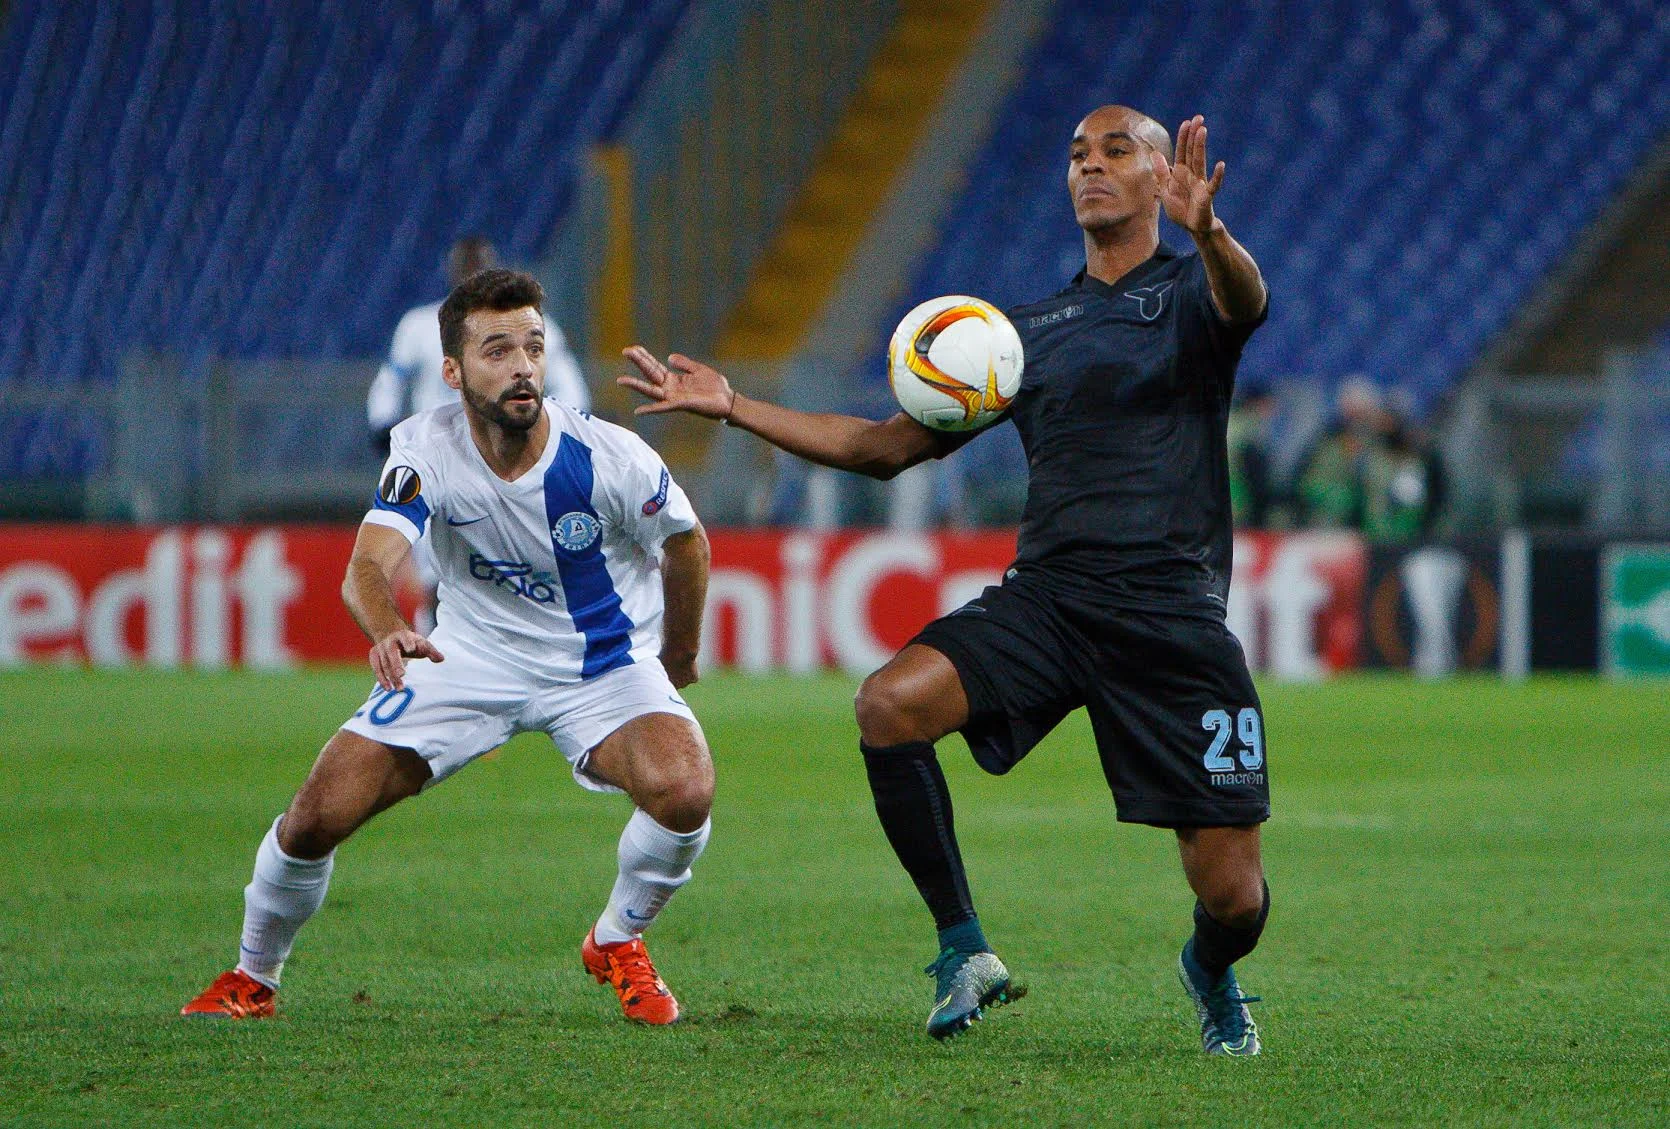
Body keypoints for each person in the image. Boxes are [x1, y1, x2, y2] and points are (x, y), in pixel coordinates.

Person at [620, 108, 1273, 1055]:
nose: (1089, 166)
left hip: (1173, 617)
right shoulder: (1021, 336)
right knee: (888, 705)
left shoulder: (1191, 292)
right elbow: (882, 448)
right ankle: (964, 948)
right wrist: (733, 405)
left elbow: (1246, 303)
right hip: (1053, 600)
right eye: (1076, 154)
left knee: (1234, 897)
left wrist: (1209, 233)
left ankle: (1210, 968)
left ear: (1162, 174)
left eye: (1115, 151)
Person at [183, 270, 714, 1026]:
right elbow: (366, 568)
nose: (522, 367)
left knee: (685, 789)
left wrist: (679, 655)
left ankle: (617, 938)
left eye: (533, 346)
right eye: (497, 351)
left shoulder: (609, 456)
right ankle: (252, 977)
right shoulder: (422, 448)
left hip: (599, 663)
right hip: (466, 657)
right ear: (454, 372)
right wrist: (387, 628)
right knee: (316, 815)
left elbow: (687, 544)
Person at [369, 238, 592, 632]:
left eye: (479, 266)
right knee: (437, 578)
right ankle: (435, 646)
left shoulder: (531, 328)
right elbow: (390, 381)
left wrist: (557, 433)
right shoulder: (421, 326)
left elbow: (571, 389)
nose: (471, 274)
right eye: (465, 267)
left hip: (510, 461)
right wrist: (383, 426)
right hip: (439, 463)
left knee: (509, 574)